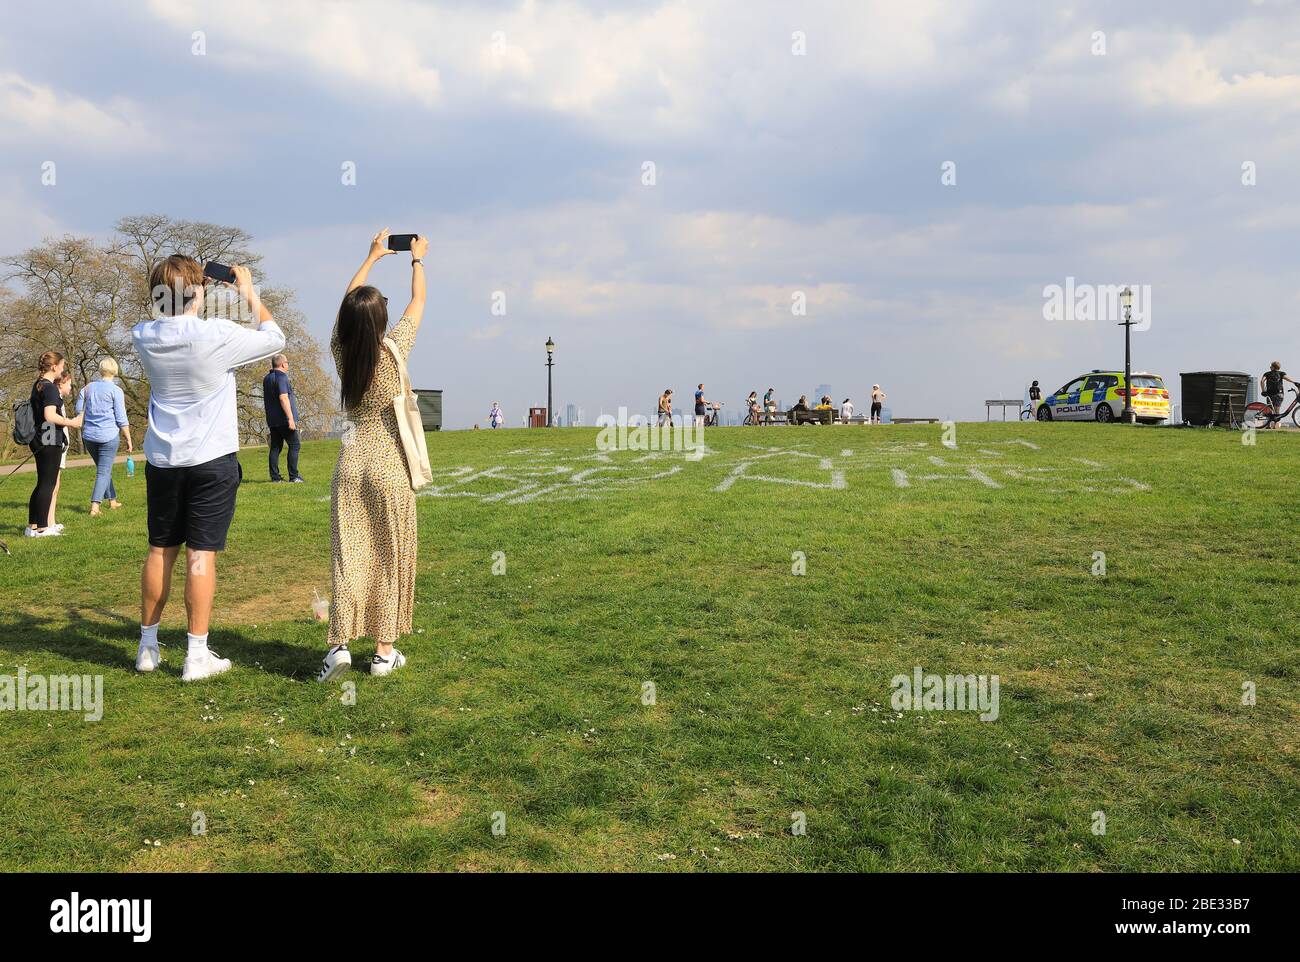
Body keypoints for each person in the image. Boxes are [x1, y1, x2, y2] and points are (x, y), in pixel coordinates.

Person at [132, 254, 285, 682]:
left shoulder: (142, 335)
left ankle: (148, 646)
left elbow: (169, 313)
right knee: (200, 556)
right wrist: (247, 292)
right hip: (210, 461)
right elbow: (275, 337)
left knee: (160, 549)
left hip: (163, 461)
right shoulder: (216, 335)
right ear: (198, 292)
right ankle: (196, 655)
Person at [316, 229, 429, 683]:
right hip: (389, 466)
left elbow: (348, 302)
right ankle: (384, 652)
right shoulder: (394, 350)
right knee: (390, 556)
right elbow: (418, 303)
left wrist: (371, 257)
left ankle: (340, 648)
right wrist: (416, 260)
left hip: (351, 464)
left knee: (350, 556)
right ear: (381, 321)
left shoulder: (342, 351)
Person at [25, 352, 82, 538]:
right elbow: (50, 416)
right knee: (48, 484)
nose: (63, 369)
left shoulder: (38, 385)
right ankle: (42, 528)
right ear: (54, 367)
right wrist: (72, 422)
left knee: (42, 483)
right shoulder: (49, 388)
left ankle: (32, 526)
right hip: (49, 439)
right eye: (62, 366)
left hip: (39, 438)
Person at [78, 357, 134, 516]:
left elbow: (78, 410)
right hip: (108, 436)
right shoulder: (116, 390)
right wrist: (128, 438)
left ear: (101, 370)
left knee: (104, 469)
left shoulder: (87, 388)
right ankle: (95, 507)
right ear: (115, 371)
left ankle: (112, 500)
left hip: (89, 436)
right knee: (103, 471)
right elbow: (121, 418)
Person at [263, 354, 303, 482]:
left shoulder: (267, 378)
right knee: (295, 445)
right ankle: (294, 476)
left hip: (272, 419)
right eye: (287, 362)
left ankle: (275, 477)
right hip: (284, 419)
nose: (288, 364)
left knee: (275, 447)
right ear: (283, 364)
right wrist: (290, 419)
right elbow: (283, 398)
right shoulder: (282, 377)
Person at [1260, 361, 1296, 429]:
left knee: (1270, 409)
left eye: (1271, 366)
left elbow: (1262, 381)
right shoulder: (1281, 373)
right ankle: (1275, 426)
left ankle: (1268, 425)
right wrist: (1294, 382)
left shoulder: (1267, 374)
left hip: (1269, 394)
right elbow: (1287, 378)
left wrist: (1263, 391)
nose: (1270, 367)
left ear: (1273, 367)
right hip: (1279, 394)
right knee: (1277, 410)